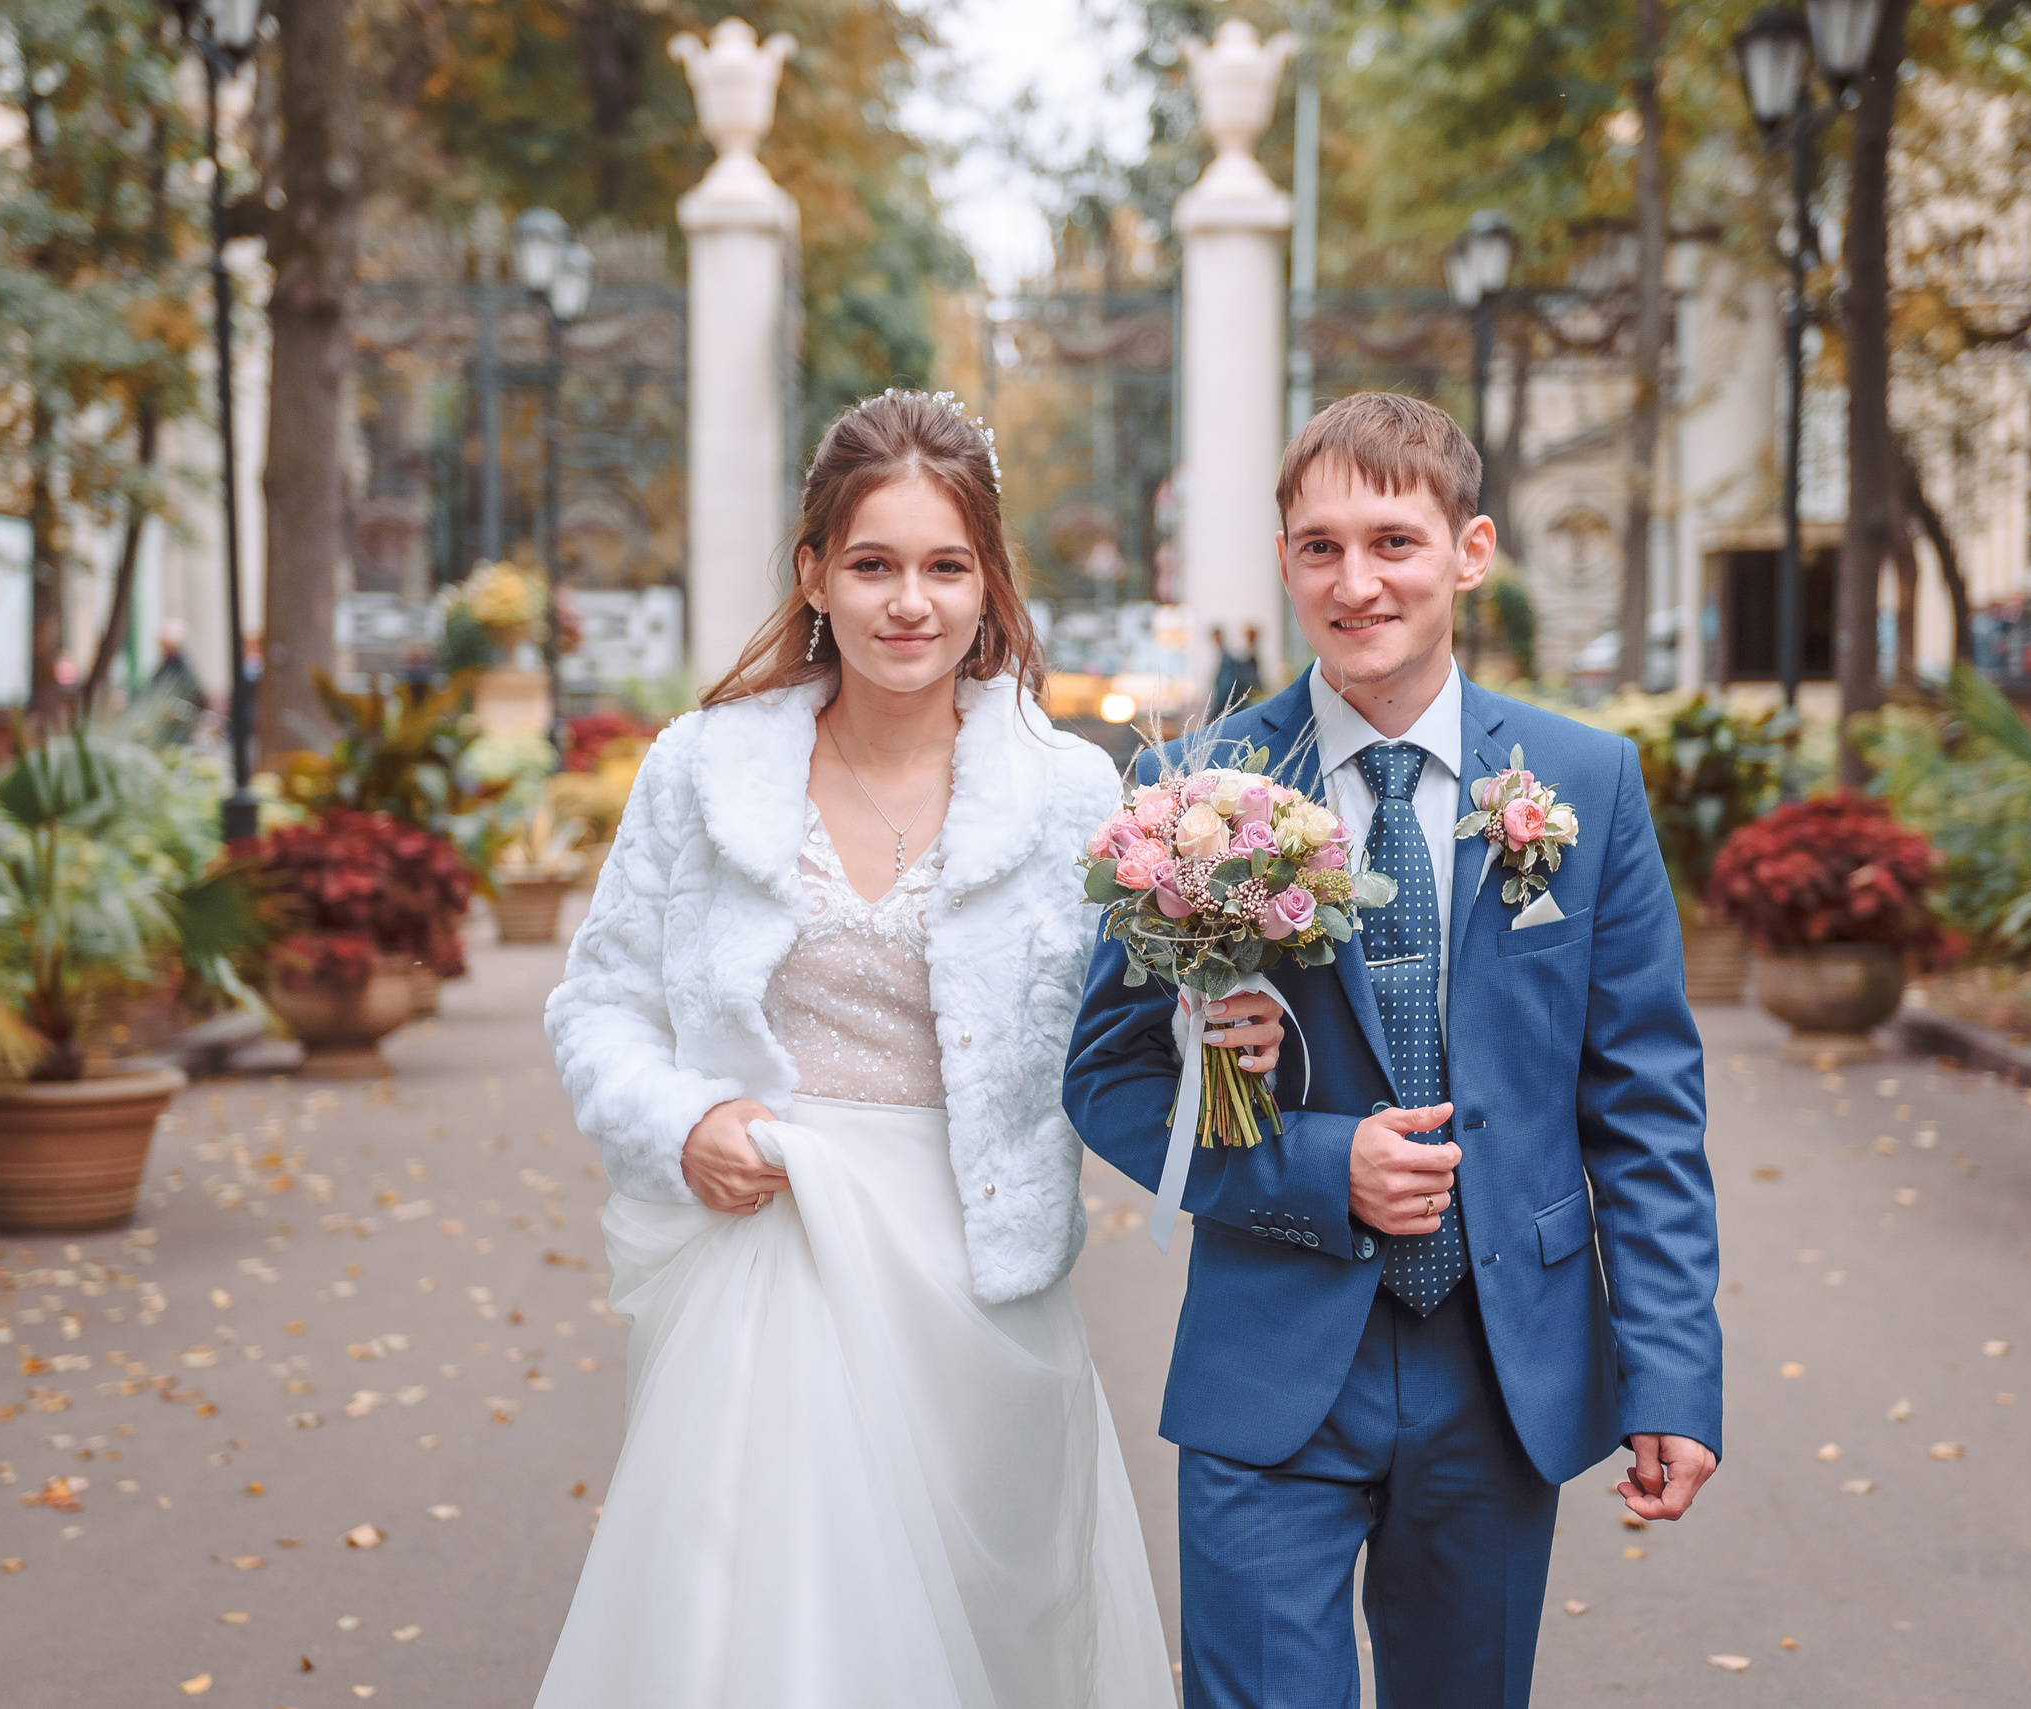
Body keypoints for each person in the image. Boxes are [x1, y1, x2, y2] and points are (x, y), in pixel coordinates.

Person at [534, 391, 1221, 1709]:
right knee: (770, 1630)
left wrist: (1226, 1016)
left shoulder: (1076, 796)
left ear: (987, 585)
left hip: (979, 1273)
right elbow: (599, 1003)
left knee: (983, 1645)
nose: (911, 602)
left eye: (945, 566)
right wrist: (682, 1121)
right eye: (874, 563)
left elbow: (1134, 1035)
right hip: (772, 1250)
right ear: (814, 575)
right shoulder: (701, 771)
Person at [1065, 392, 1722, 1708]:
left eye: (1393, 541)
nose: (1355, 582)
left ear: (1469, 550)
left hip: (1503, 1364)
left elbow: (1645, 1103)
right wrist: (1315, 1163)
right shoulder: (1197, 792)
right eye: (1318, 547)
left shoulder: (1583, 783)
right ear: (1285, 561)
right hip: (1273, 1362)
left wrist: (1674, 1370)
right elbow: (1112, 1071)